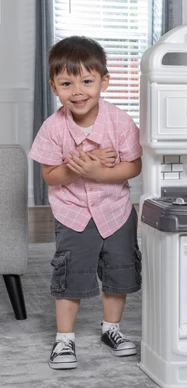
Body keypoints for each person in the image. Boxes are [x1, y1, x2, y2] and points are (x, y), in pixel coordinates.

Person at [29, 36, 143, 370]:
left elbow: (134, 166)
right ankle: (64, 338)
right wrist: (76, 167)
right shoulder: (53, 128)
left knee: (118, 270)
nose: (77, 91)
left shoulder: (120, 122)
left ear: (104, 82)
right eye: (67, 83)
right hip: (74, 212)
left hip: (116, 210)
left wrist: (98, 171)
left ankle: (112, 329)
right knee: (71, 274)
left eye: (87, 82)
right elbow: (50, 176)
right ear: (54, 87)